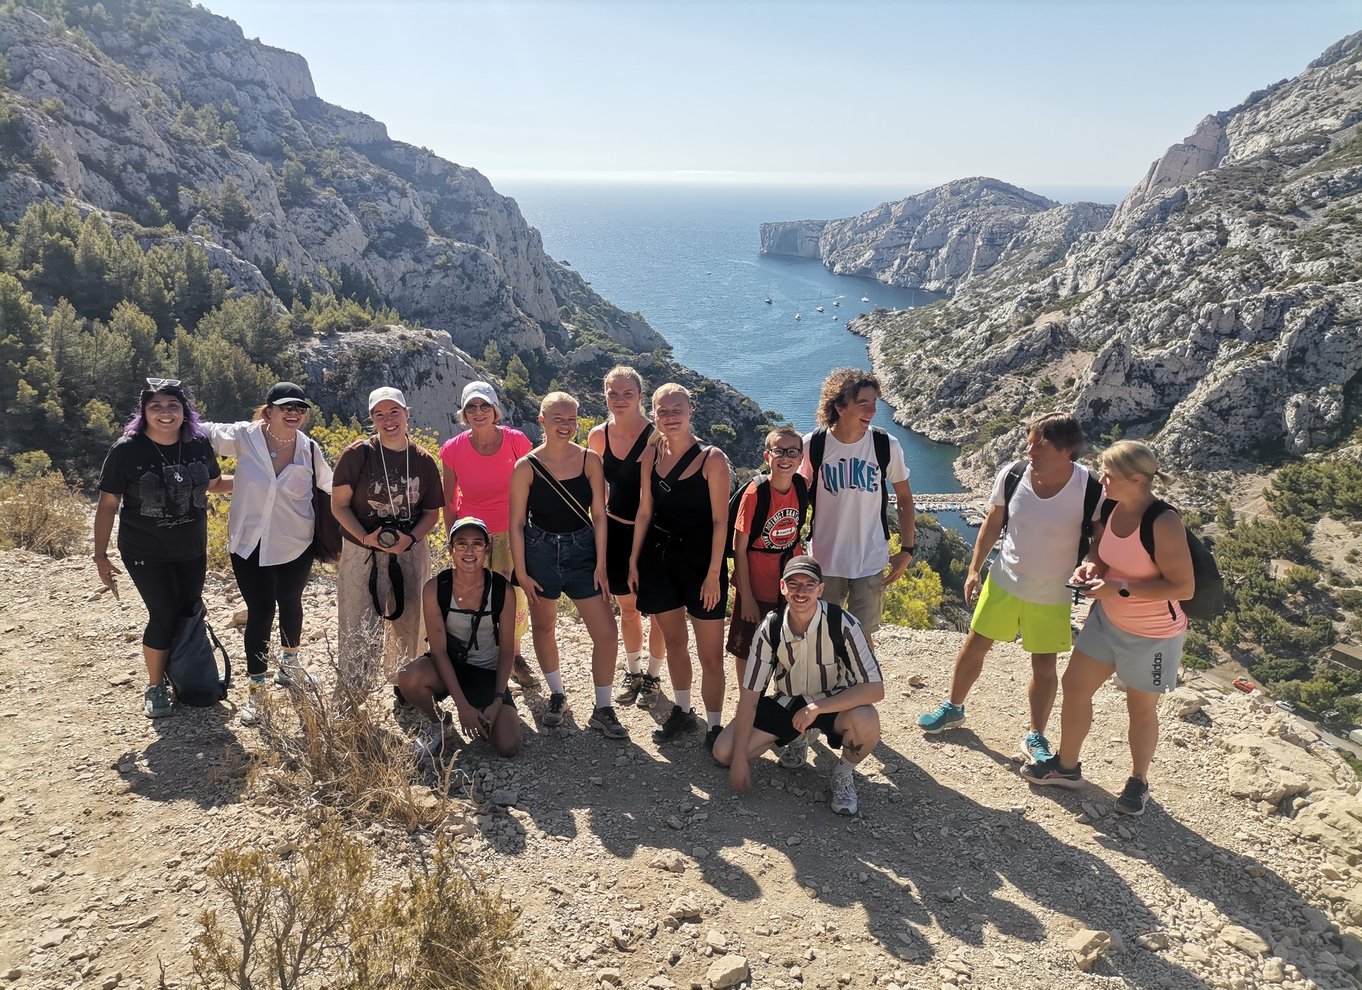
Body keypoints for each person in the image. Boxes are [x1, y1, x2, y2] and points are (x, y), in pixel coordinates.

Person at [918, 413, 1102, 763]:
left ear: (1065, 450)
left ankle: (1036, 736)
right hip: (1004, 581)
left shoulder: (1090, 487)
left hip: (1052, 594)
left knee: (1044, 666)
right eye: (1029, 440)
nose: (1029, 448)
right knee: (975, 646)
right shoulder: (1014, 474)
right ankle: (953, 707)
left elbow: (1099, 535)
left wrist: (1091, 565)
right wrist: (974, 570)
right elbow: (992, 523)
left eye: (1039, 443)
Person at [1022, 441, 1193, 817]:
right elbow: (1101, 552)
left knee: (1141, 708)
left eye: (1109, 474)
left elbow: (1183, 587)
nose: (1102, 480)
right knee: (1075, 687)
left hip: (1153, 634)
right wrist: (1090, 569)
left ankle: (1138, 781)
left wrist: (1121, 588)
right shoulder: (1112, 507)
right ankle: (1067, 766)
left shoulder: (1163, 521)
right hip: (1107, 619)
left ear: (1135, 479)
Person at [94, 378, 231, 718]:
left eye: (173, 406)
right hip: (145, 550)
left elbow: (214, 484)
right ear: (144, 413)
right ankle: (155, 687)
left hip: (191, 547)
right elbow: (108, 503)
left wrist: (264, 477)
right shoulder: (127, 449)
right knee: (163, 613)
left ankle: (184, 676)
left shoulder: (198, 443)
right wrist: (100, 555)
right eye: (156, 407)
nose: (165, 413)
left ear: (186, 412)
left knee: (189, 610)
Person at [201, 382, 333, 723]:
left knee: (291, 601)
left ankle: (289, 667)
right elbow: (204, 431)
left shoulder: (308, 449)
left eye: (300, 409)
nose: (293, 414)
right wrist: (165, 416)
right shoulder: (245, 437)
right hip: (249, 542)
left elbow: (332, 488)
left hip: (295, 542)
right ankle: (257, 693)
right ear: (268, 410)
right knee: (260, 611)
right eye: (286, 408)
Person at [712, 556, 883, 816]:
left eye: (809, 585)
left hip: (832, 701)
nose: (801, 592)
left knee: (867, 718)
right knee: (724, 752)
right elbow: (749, 696)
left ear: (820, 589)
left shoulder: (843, 623)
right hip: (788, 701)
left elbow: (875, 688)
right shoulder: (770, 626)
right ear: (782, 587)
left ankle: (843, 774)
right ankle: (799, 736)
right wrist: (738, 762)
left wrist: (816, 708)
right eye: (793, 584)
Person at [509, 392, 625, 739]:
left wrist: (601, 564)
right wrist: (523, 572)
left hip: (582, 553)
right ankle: (557, 694)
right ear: (541, 421)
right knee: (544, 628)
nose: (566, 425)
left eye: (572, 419)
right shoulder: (525, 467)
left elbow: (600, 516)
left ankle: (602, 707)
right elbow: (515, 522)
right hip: (540, 552)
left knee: (606, 633)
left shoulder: (590, 460)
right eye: (558, 419)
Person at [629, 383, 732, 750]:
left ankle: (715, 725)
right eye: (663, 410)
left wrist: (714, 575)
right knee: (674, 642)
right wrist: (633, 561)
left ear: (691, 412)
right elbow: (645, 511)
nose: (670, 417)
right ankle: (684, 711)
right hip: (660, 559)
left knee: (711, 655)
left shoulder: (712, 459)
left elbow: (721, 522)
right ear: (653, 413)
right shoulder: (651, 455)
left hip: (703, 562)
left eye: (677, 409)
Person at [331, 387, 443, 695]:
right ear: (372, 419)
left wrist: (409, 538)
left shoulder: (422, 460)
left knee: (411, 620)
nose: (388, 420)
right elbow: (339, 505)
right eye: (379, 414)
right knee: (358, 619)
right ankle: (354, 691)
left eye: (394, 412)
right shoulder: (358, 454)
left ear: (407, 414)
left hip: (409, 550)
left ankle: (406, 687)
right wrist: (366, 537)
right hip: (362, 551)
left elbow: (431, 513)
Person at [800, 369, 915, 646]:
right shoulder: (812, 445)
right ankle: (829, 688)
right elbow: (795, 499)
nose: (873, 411)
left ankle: (865, 688)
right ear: (839, 406)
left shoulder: (885, 445)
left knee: (862, 638)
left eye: (875, 403)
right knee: (824, 636)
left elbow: (904, 498)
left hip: (869, 560)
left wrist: (907, 550)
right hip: (825, 560)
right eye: (863, 404)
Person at [397, 517, 521, 760]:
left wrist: (496, 700)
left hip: (486, 670)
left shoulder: (502, 590)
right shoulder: (436, 588)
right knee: (408, 678)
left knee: (508, 745)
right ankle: (439, 721)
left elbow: (507, 650)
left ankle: (486, 705)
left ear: (487, 548)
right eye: (461, 544)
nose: (469, 551)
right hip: (449, 665)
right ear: (451, 549)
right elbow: (439, 651)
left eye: (477, 544)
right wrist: (462, 706)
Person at [439, 380, 535, 687]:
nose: (478, 412)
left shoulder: (516, 442)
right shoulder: (452, 450)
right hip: (471, 535)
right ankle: (481, 656)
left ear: (495, 410)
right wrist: (452, 539)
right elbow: (449, 500)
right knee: (474, 594)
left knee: (512, 596)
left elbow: (534, 485)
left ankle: (514, 655)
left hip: (511, 531)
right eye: (471, 407)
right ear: (464, 414)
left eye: (484, 406)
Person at [586, 365, 665, 708]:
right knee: (628, 608)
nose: (620, 400)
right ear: (604, 395)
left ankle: (654, 676)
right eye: (613, 393)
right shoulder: (597, 436)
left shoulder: (657, 436)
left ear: (639, 397)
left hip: (653, 533)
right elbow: (597, 495)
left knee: (660, 611)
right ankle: (633, 673)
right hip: (616, 530)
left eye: (627, 394)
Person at [727, 425, 807, 683]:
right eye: (778, 451)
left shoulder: (801, 486)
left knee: (785, 644)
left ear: (801, 458)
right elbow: (739, 548)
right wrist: (747, 596)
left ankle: (778, 699)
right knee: (747, 646)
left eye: (792, 452)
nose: (785, 457)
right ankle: (747, 698)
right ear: (767, 457)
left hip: (787, 585)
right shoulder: (755, 494)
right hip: (755, 585)